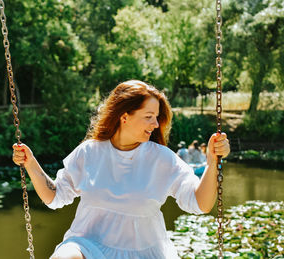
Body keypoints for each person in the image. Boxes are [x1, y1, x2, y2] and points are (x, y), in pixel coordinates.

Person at [12, 80, 230, 259]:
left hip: (144, 253)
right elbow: (55, 197)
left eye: (157, 117)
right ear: (124, 116)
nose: (155, 124)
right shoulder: (89, 152)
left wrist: (212, 162)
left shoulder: (162, 159)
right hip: (89, 247)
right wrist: (30, 163)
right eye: (148, 117)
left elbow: (200, 203)